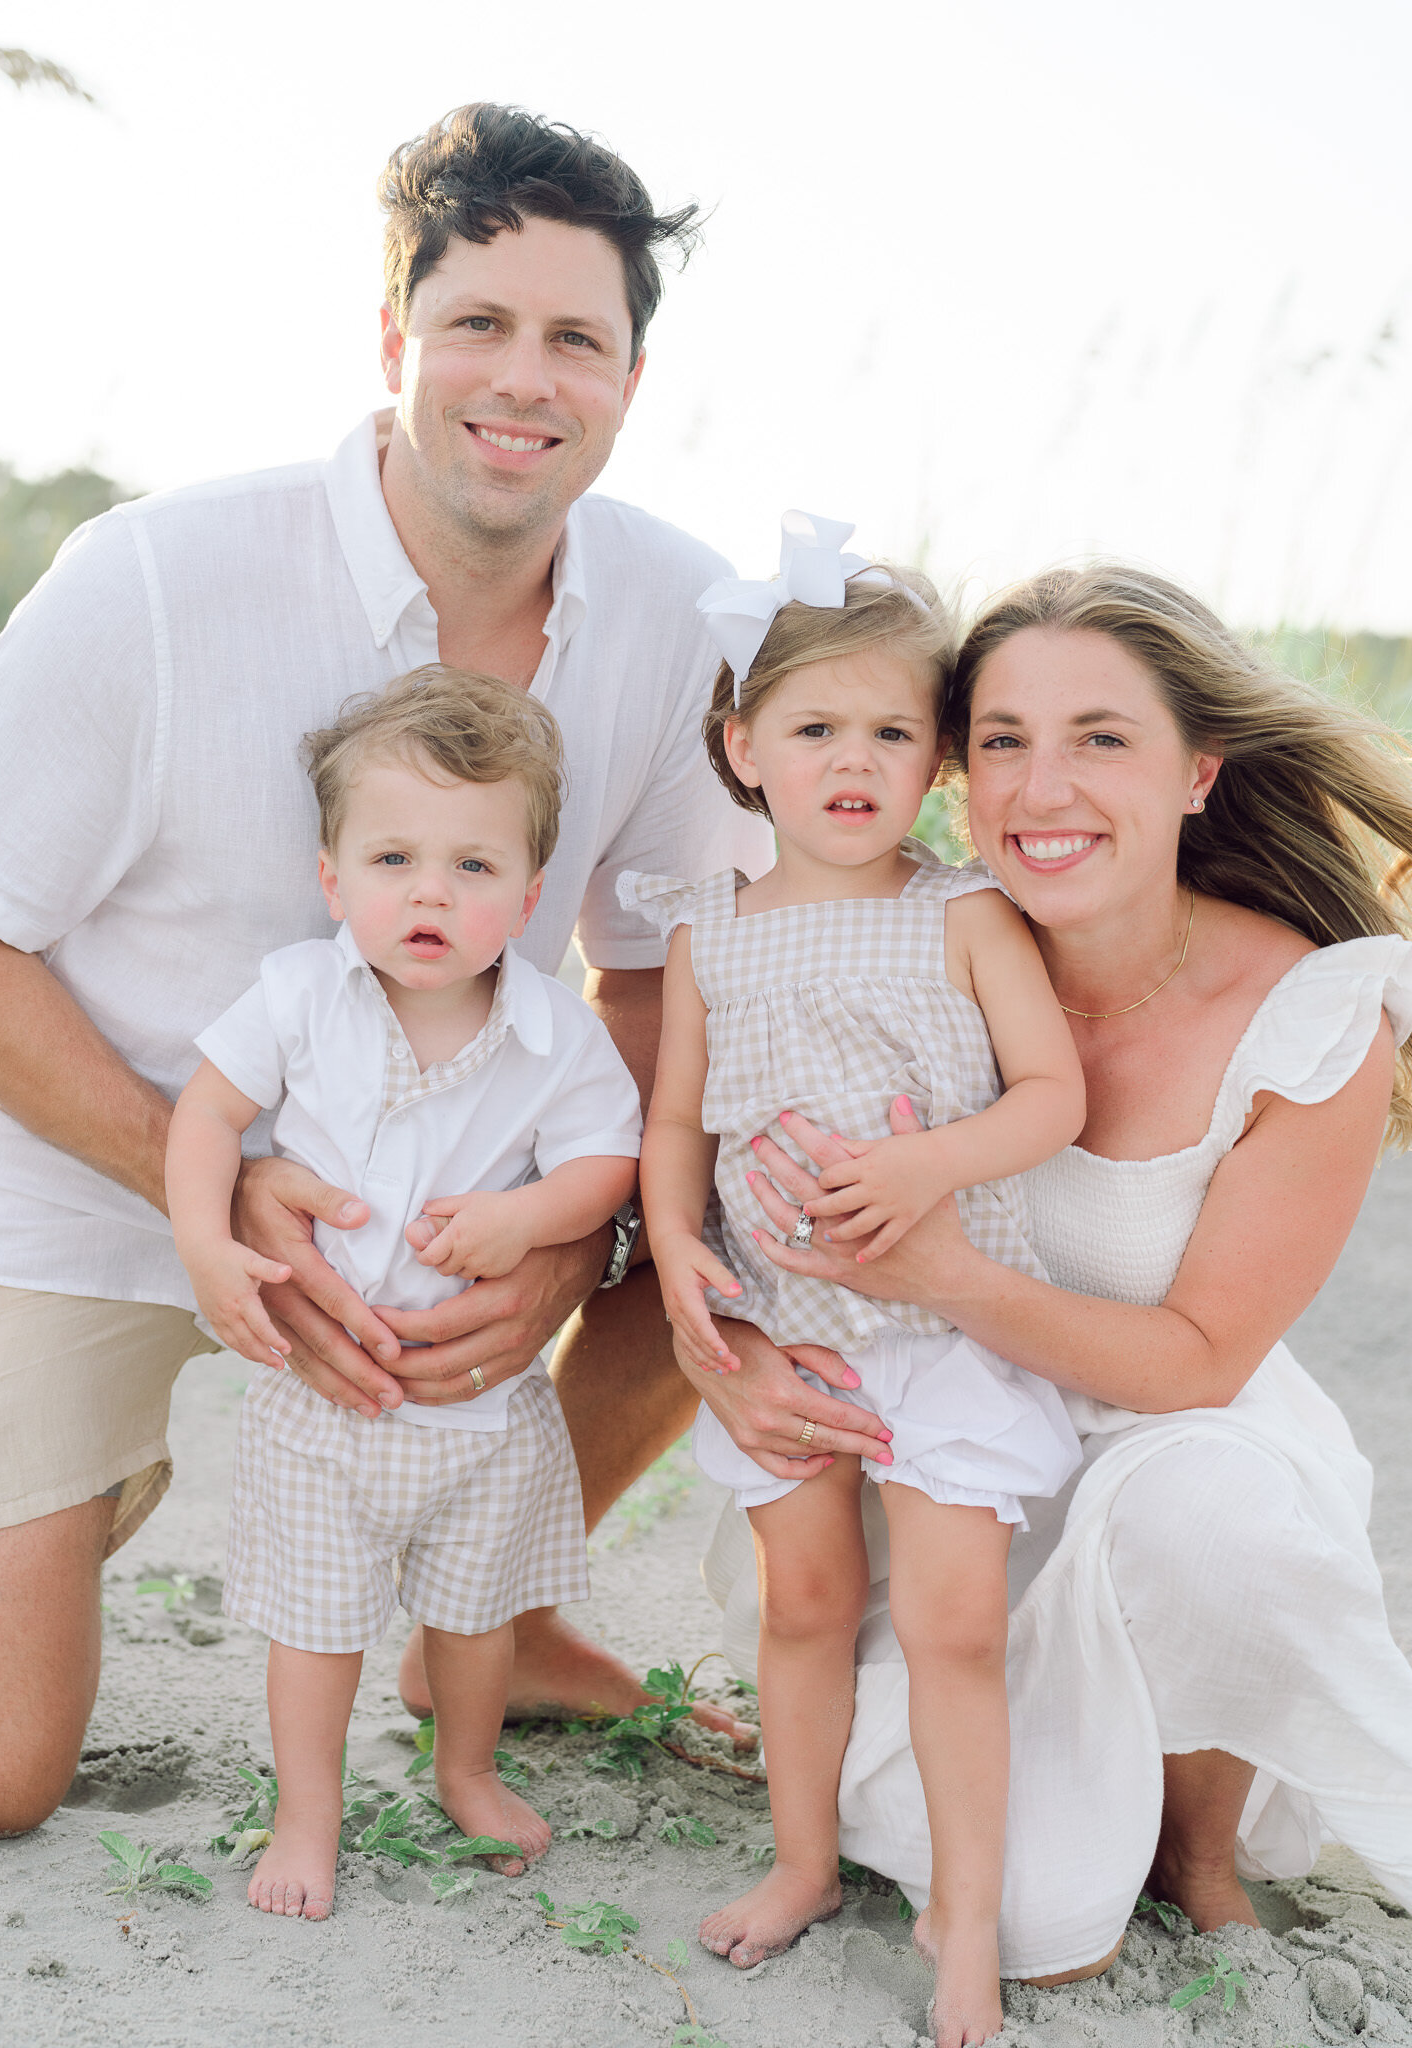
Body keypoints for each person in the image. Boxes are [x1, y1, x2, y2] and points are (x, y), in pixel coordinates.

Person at [0, 102, 777, 1842]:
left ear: (631, 380)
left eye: (575, 339)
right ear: (396, 343)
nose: (524, 379)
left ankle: (489, 1616)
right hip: (91, 1174)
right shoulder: (156, 574)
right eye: (479, 326)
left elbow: (660, 985)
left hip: (448, 1209)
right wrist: (206, 1190)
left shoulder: (685, 620)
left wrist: (577, 1235)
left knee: (725, 1199)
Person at [707, 562, 1412, 1984]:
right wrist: (714, 1341)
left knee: (1206, 1512)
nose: (1045, 788)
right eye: (1006, 742)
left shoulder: (1312, 1015)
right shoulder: (913, 934)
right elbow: (735, 1163)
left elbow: (1204, 1356)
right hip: (952, 1465)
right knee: (1035, 1923)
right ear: (957, 773)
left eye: (1103, 739)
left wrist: (948, 1273)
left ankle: (1201, 1847)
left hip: (1184, 1444)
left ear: (1200, 769)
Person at [625, 516, 1084, 2046]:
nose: (853, 759)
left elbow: (1048, 1097)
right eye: (815, 726)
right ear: (744, 745)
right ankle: (806, 1862)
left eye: (892, 730)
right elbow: (678, 1116)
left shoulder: (960, 913)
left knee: (952, 1622)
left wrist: (925, 1172)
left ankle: (963, 1921)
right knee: (806, 1602)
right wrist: (680, 1238)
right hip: (789, 1332)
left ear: (940, 758)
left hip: (945, 1326)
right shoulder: (706, 936)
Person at [168, 670, 641, 1918]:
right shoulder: (299, 996)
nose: (431, 890)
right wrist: (207, 1245)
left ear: (532, 899)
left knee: (475, 1617)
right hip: (327, 1413)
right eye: (392, 857)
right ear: (334, 880)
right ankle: (305, 1813)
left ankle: (467, 1769)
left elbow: (607, 1159)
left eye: (475, 866)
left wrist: (527, 1217)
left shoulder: (554, 1032)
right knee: (314, 1626)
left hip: (477, 1415)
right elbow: (209, 1114)